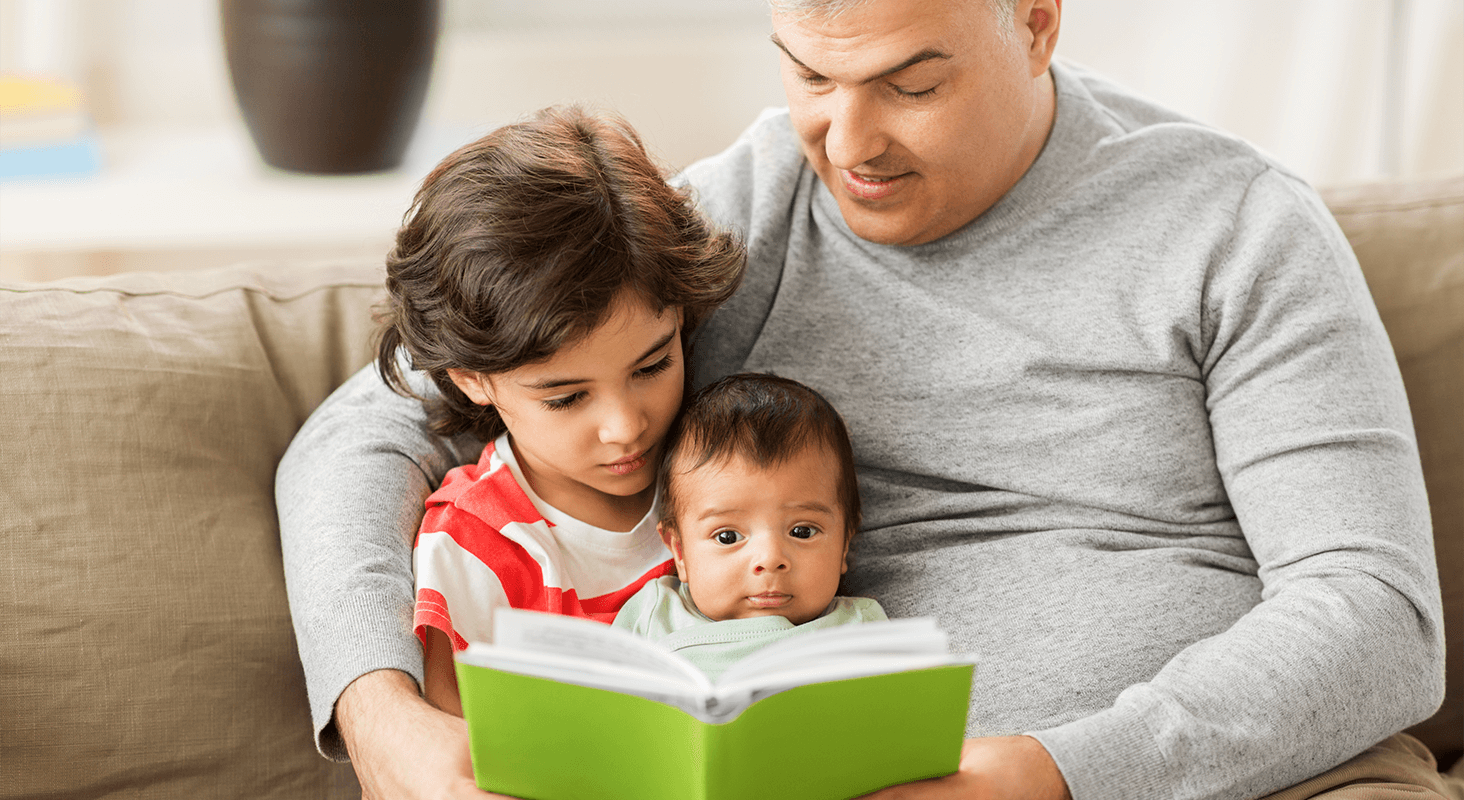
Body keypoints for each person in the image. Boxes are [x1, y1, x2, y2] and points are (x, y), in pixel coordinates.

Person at [276, 0, 1451, 798]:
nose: (849, 141)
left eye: (910, 81)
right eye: (808, 74)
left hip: (1271, 775)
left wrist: (1053, 768)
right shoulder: (747, 210)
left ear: (1035, 21)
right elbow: (371, 422)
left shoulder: (1234, 226)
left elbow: (1378, 615)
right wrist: (383, 718)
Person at [362, 105, 745, 717]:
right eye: (566, 397)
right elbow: (444, 769)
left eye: (652, 366)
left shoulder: (732, 481)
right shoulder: (475, 548)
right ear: (471, 380)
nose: (626, 427)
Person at [611, 373, 888, 680]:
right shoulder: (656, 615)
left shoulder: (861, 627)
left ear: (844, 544)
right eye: (728, 536)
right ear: (680, 551)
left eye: (803, 531)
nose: (770, 559)